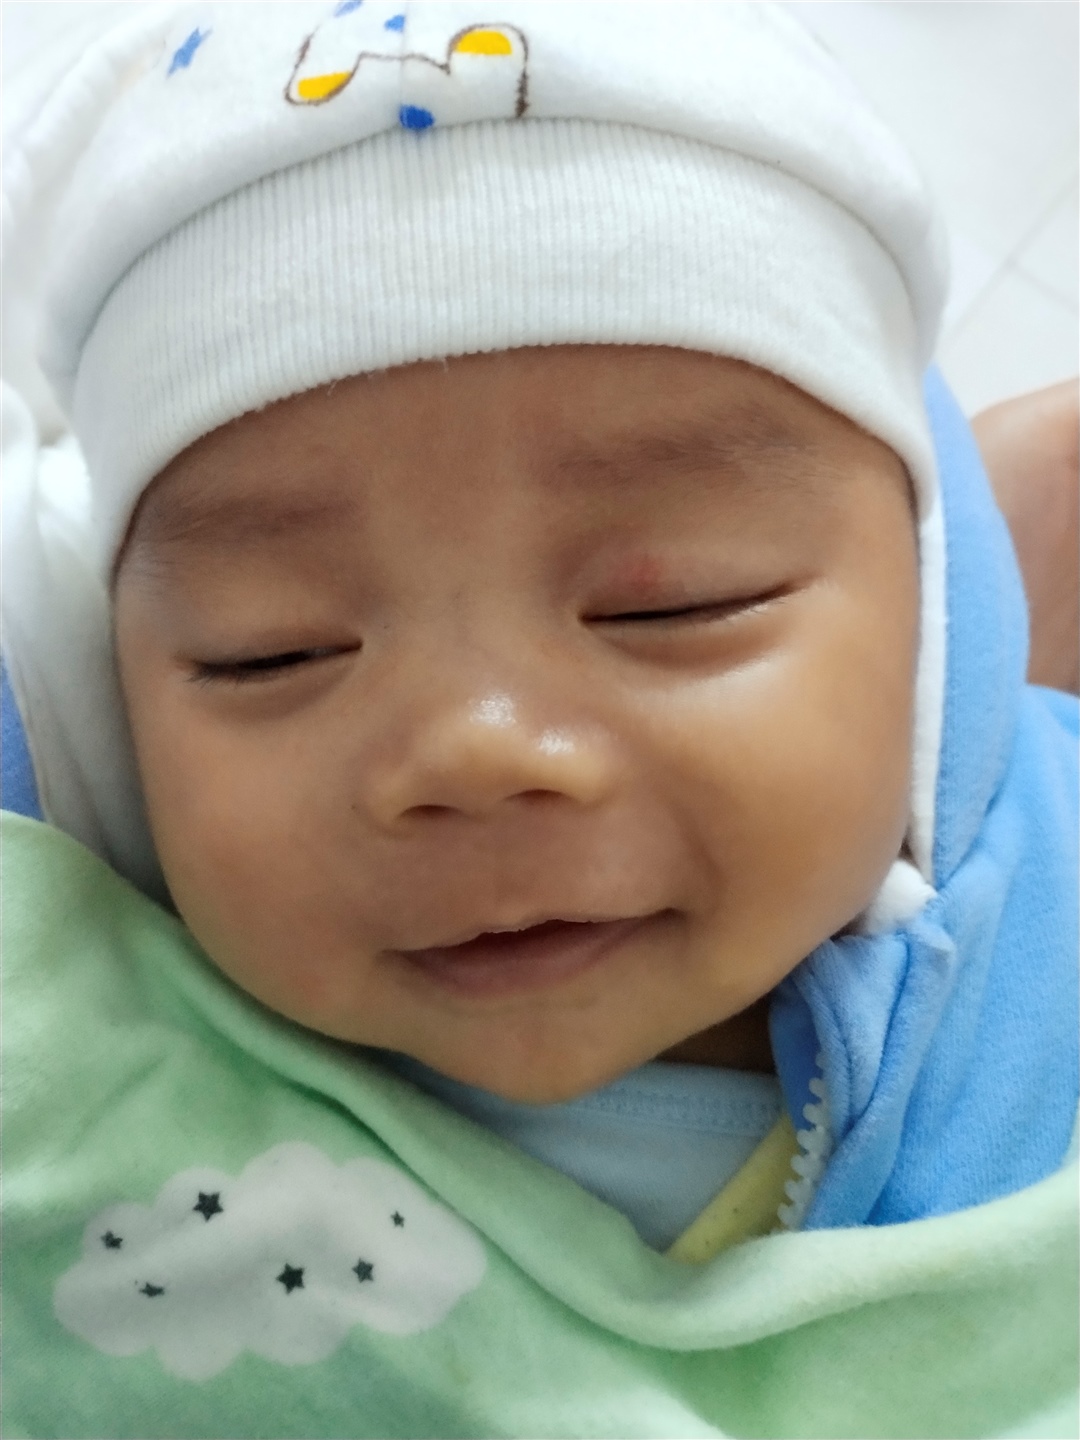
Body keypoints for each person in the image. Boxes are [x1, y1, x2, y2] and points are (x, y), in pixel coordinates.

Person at [2, 5, 1076, 1436]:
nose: (476, 750)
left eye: (674, 604)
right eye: (275, 652)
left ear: (931, 616)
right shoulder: (78, 1020)